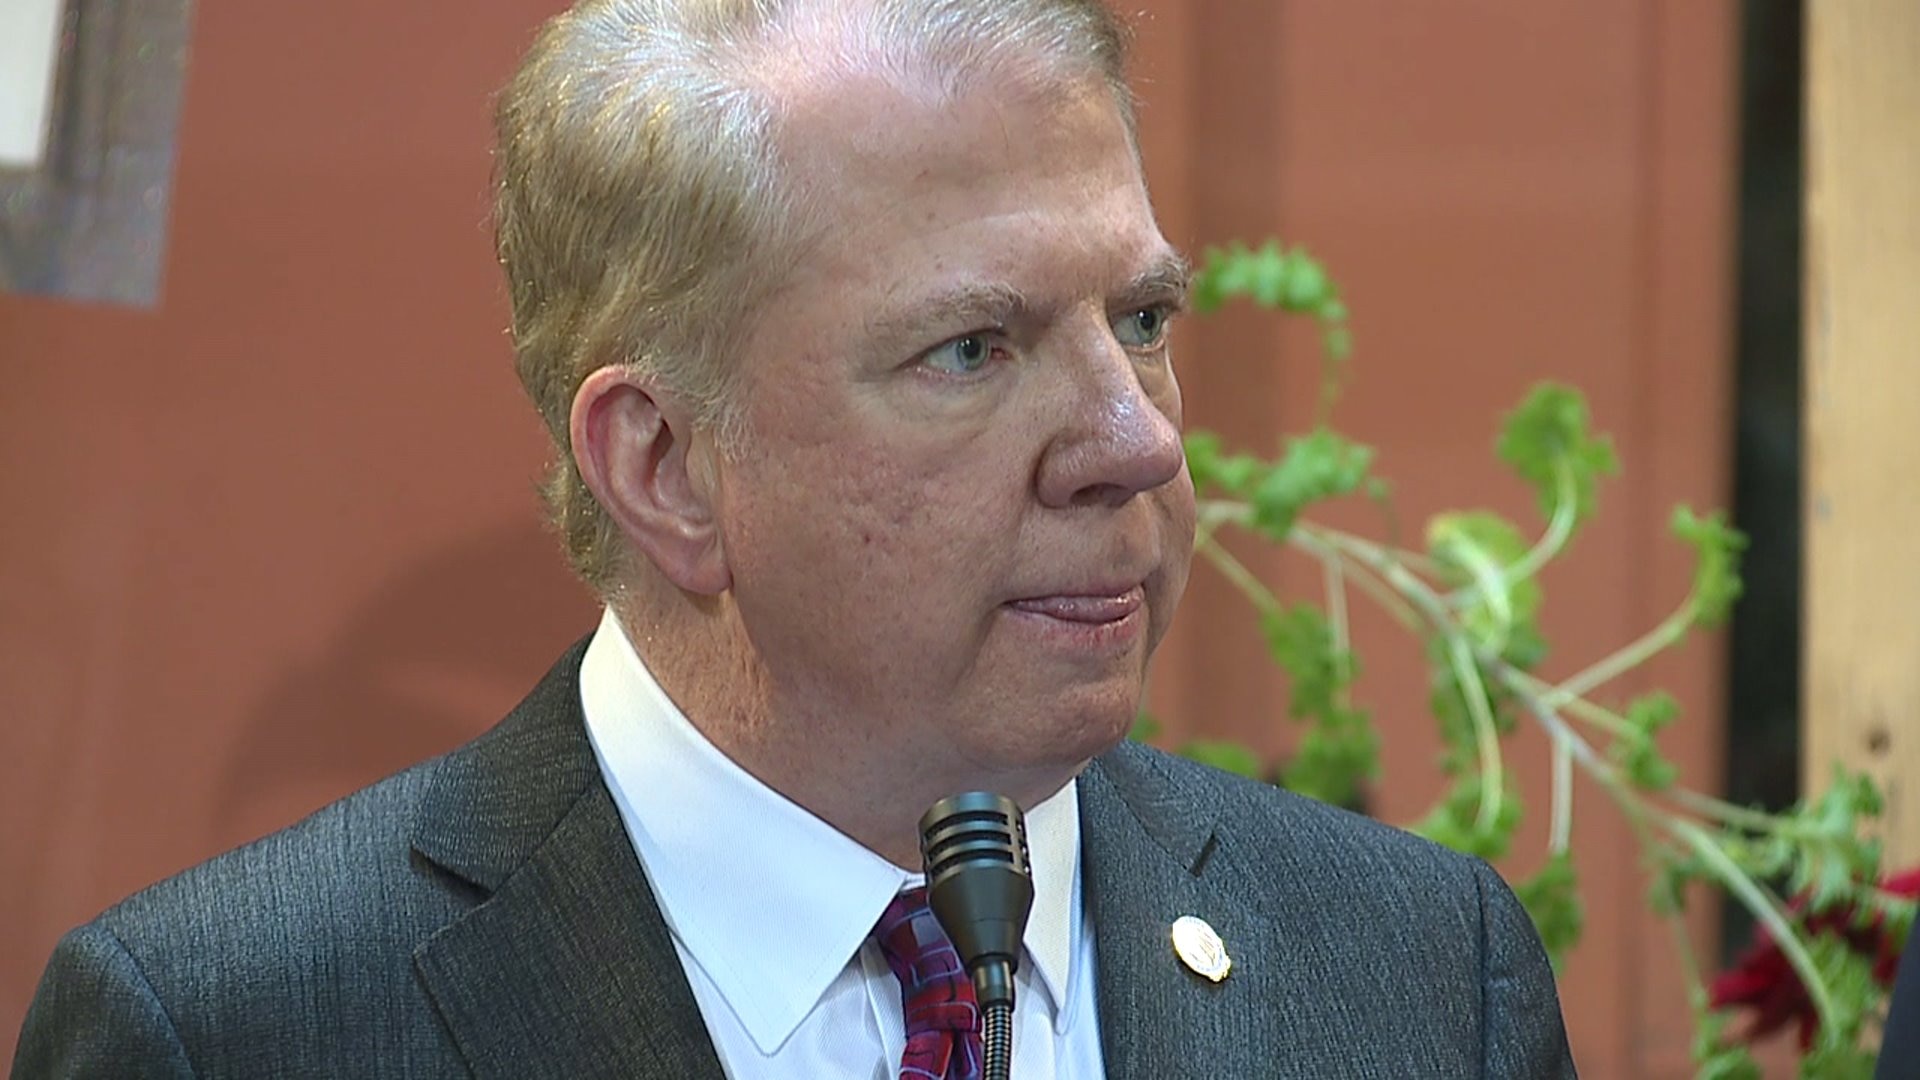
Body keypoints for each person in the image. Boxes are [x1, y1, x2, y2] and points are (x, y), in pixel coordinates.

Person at [12, 1, 1576, 1077]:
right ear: (668, 467)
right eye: (973, 349)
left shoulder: (1419, 978)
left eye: (1144, 320)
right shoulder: (237, 1031)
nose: (1137, 442)